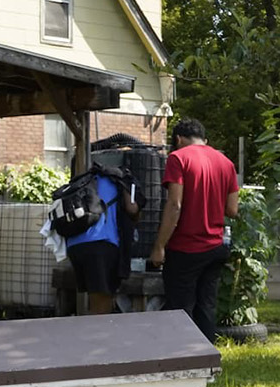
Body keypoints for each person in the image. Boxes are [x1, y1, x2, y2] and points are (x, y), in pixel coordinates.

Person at [152, 117, 239, 342]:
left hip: (186, 247)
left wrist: (160, 246)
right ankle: (206, 358)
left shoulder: (178, 158)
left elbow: (175, 204)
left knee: (180, 308)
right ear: (204, 139)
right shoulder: (226, 162)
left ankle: (181, 357)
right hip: (215, 246)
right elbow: (232, 209)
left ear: (179, 139)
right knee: (206, 306)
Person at [63, 163, 138, 314]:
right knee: (100, 306)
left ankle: (93, 332)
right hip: (101, 244)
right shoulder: (119, 179)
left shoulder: (86, 179)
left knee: (94, 299)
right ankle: (95, 336)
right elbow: (132, 209)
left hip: (75, 245)